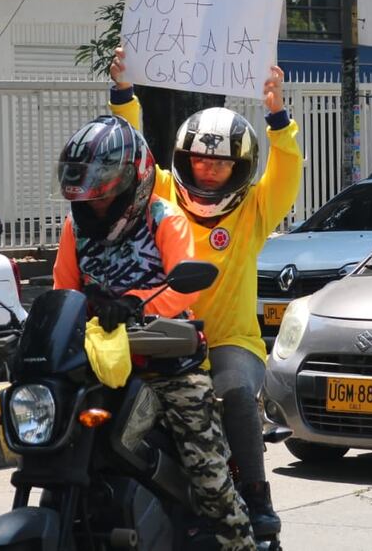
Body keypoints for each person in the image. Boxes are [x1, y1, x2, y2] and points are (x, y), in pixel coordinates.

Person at [108, 47, 302, 538]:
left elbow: (287, 169)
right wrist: (124, 93)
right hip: (161, 339)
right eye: (198, 160)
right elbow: (130, 151)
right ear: (183, 160)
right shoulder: (163, 190)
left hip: (229, 343)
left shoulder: (255, 207)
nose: (208, 171)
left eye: (219, 163)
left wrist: (278, 114)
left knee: (236, 392)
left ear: (240, 166)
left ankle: (257, 499)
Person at [52, 114, 255, 551]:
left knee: (209, 474)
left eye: (105, 193)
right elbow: (64, 290)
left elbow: (180, 294)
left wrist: (133, 305)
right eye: (91, 194)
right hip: (96, 366)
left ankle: (242, 543)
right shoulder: (75, 227)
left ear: (133, 183)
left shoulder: (166, 219)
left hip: (168, 365)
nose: (97, 204)